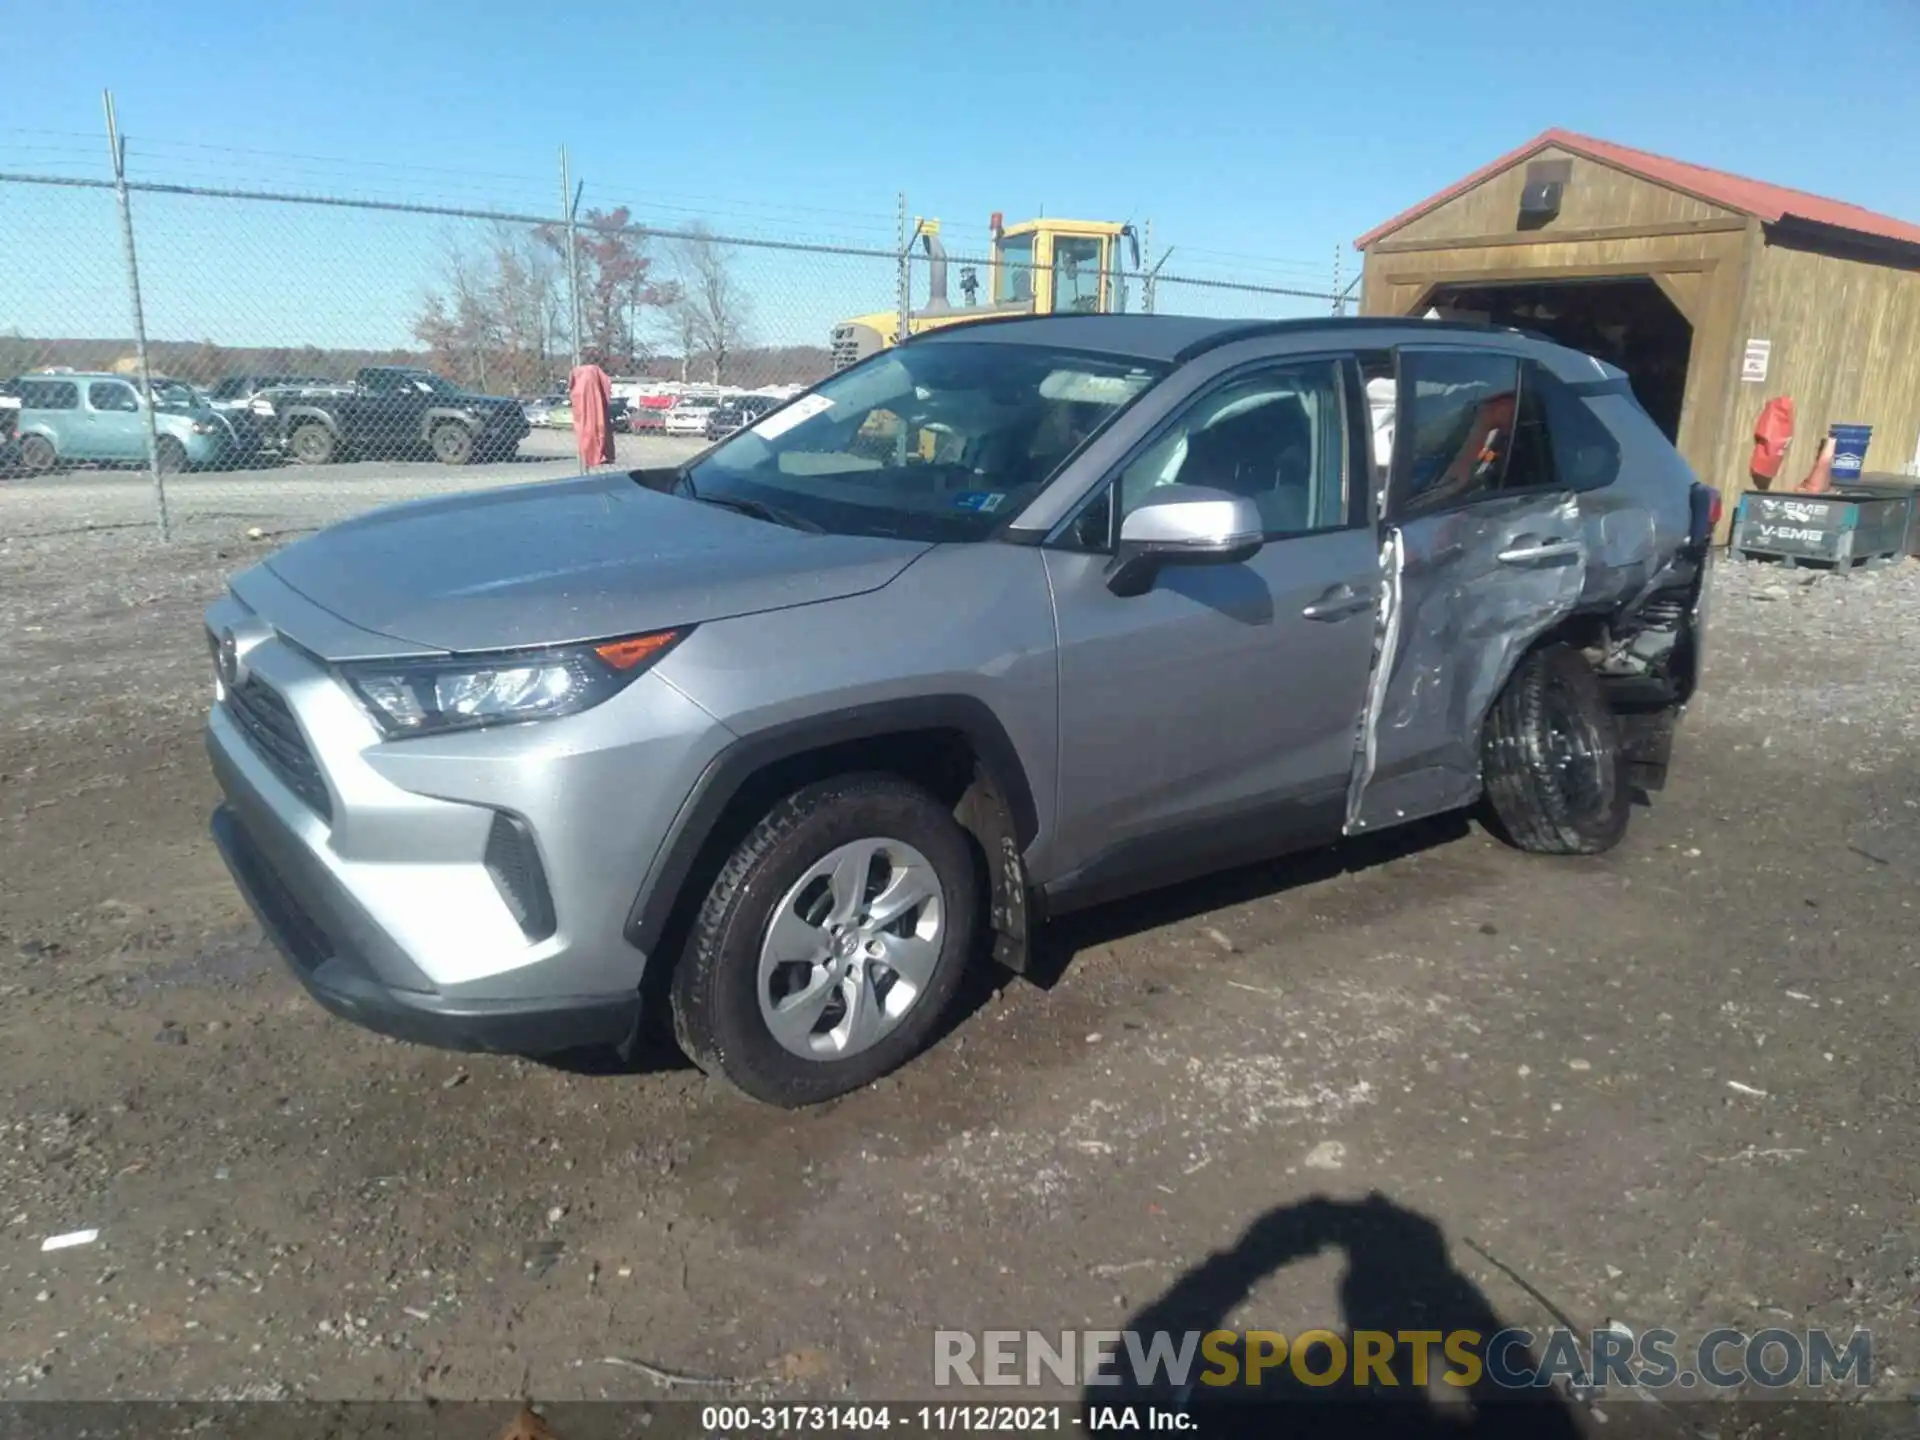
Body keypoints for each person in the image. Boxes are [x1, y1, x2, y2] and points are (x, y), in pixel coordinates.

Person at [568, 355, 615, 470]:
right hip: (590, 408)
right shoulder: (593, 372)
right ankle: (594, 455)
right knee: (596, 427)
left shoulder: (581, 372)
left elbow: (570, 387)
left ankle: (591, 456)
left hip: (584, 409)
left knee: (587, 429)